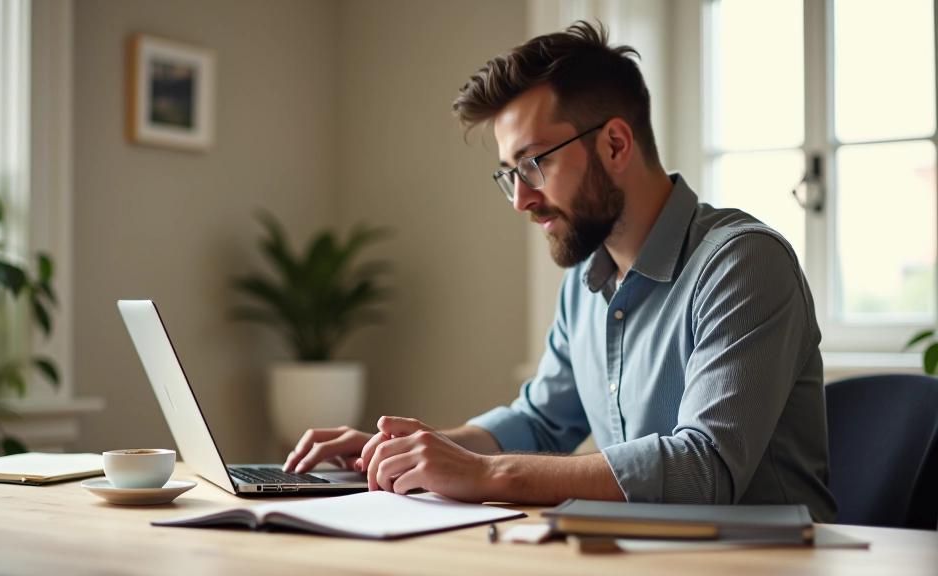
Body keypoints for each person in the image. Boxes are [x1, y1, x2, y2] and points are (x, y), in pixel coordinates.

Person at [283, 21, 838, 522]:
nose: (521, 199)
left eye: (534, 163)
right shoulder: (585, 282)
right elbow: (542, 422)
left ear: (615, 143)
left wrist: (485, 475)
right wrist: (416, 450)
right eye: (509, 174)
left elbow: (704, 470)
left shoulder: (741, 264)